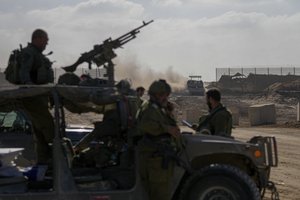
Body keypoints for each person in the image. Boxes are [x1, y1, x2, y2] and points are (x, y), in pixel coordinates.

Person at [137, 79, 181, 200]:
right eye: (163, 95)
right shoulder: (149, 109)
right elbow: (146, 125)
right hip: (153, 161)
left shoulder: (158, 108)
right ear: (155, 95)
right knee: (160, 195)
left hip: (158, 161)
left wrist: (169, 112)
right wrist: (166, 129)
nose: (165, 98)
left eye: (166, 95)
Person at [19, 29, 55, 165]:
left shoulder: (38, 55)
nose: (47, 42)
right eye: (45, 39)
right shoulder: (29, 52)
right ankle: (54, 162)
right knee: (50, 130)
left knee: (41, 135)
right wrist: (29, 87)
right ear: (38, 39)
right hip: (33, 98)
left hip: (39, 97)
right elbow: (24, 72)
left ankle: (44, 166)